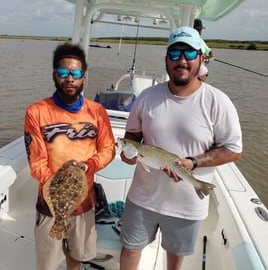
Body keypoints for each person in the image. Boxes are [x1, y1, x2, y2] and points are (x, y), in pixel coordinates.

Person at [119, 26, 242, 270]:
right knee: (130, 248)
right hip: (143, 198)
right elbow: (131, 136)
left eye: (189, 54)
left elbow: (233, 149)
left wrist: (193, 163)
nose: (182, 60)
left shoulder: (218, 102)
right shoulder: (147, 97)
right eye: (175, 54)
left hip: (187, 205)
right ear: (166, 59)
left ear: (201, 58)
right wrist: (129, 155)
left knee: (175, 258)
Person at [24, 42, 115, 270]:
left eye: (75, 73)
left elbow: (108, 150)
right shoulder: (36, 112)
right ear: (55, 75)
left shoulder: (97, 112)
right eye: (64, 73)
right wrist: (57, 181)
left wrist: (87, 167)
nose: (69, 78)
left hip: (84, 203)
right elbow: (36, 163)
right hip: (50, 205)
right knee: (47, 263)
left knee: (78, 255)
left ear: (84, 77)